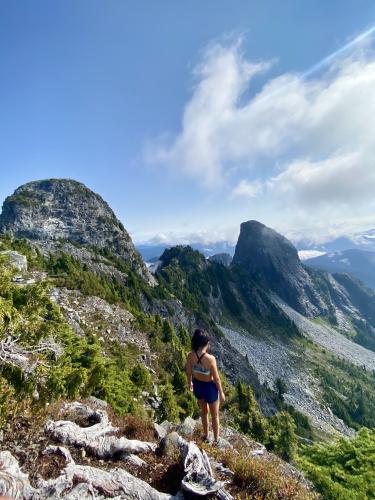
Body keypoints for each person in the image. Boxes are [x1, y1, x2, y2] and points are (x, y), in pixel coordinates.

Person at [185, 328, 225, 443]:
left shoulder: (190, 356)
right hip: (210, 388)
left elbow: (188, 371)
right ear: (205, 343)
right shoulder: (211, 359)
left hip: (198, 386)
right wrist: (221, 392)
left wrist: (190, 383)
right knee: (215, 415)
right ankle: (216, 440)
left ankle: (206, 435)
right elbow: (216, 378)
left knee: (204, 411)